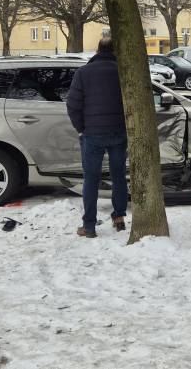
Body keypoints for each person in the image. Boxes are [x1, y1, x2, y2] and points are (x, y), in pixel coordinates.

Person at [66, 37, 127, 238]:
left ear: (97, 50)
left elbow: (73, 105)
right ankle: (119, 218)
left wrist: (81, 128)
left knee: (91, 179)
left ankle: (89, 226)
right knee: (118, 176)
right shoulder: (123, 71)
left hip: (92, 134)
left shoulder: (83, 73)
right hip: (119, 132)